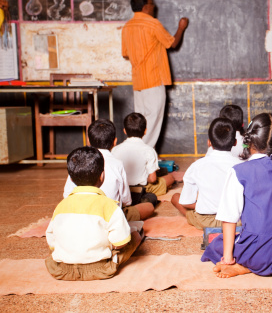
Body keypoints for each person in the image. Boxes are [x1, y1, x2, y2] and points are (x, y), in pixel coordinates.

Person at [201, 113, 272, 278]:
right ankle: (271, 263)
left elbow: (229, 219)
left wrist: (228, 259)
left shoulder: (239, 171)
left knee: (217, 244)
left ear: (248, 139)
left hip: (256, 254)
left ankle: (245, 265)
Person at [45, 147, 143, 281]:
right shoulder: (109, 205)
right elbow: (120, 242)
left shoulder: (61, 206)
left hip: (62, 270)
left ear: (71, 179)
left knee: (52, 257)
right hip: (100, 269)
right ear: (102, 175)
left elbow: (51, 239)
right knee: (135, 237)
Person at [121, 0, 189, 148]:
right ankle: (143, 155)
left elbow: (125, 53)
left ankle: (135, 152)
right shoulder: (152, 23)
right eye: (152, 4)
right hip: (154, 79)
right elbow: (171, 44)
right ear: (145, 7)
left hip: (138, 82)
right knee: (152, 121)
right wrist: (181, 28)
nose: (154, 7)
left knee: (140, 122)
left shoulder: (127, 27)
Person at [63, 119, 154, 221]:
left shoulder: (78, 160)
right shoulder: (117, 164)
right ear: (115, 141)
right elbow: (126, 201)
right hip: (110, 217)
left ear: (88, 140)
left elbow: (67, 195)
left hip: (80, 214)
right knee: (149, 206)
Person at [171, 118, 242, 229]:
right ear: (235, 142)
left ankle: (195, 217)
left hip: (206, 221)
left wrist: (205, 205)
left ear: (209, 142)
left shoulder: (196, 166)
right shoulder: (242, 165)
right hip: (236, 221)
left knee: (175, 197)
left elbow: (185, 202)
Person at [112, 113, 175, 196]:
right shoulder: (149, 150)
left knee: (161, 171)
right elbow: (152, 179)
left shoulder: (115, 149)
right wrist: (142, 178)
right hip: (142, 188)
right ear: (145, 131)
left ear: (124, 131)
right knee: (170, 178)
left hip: (123, 188)